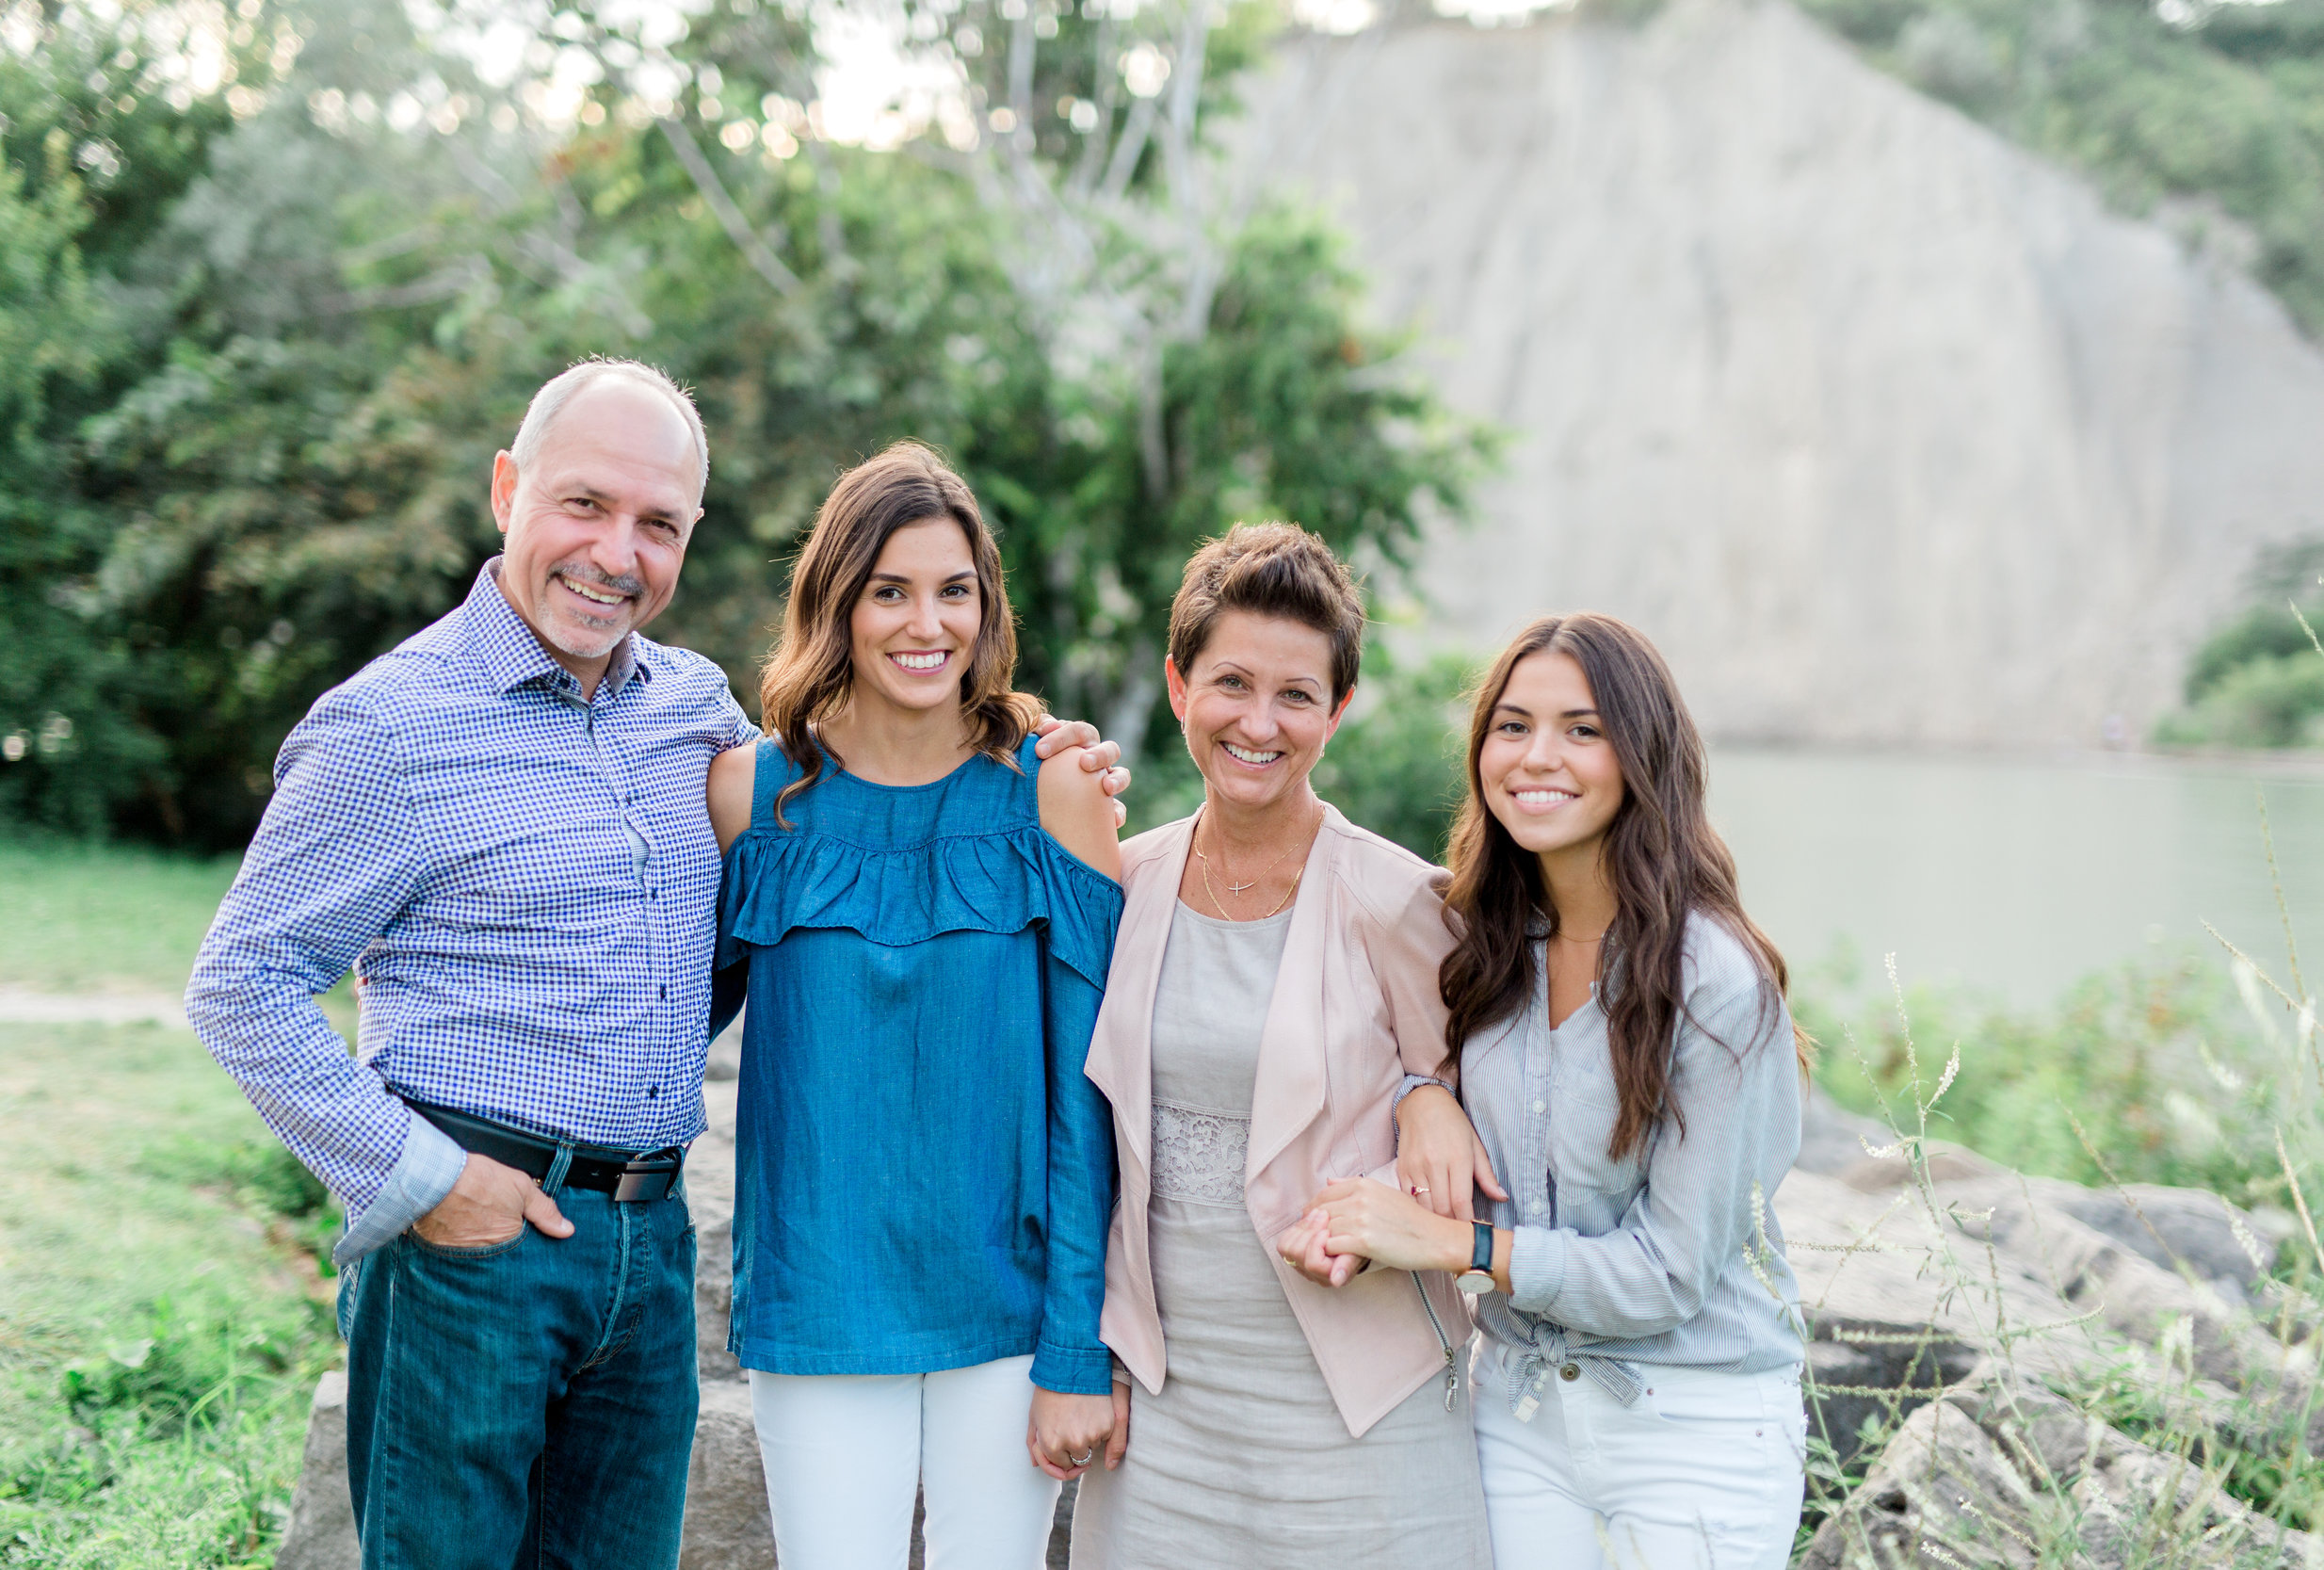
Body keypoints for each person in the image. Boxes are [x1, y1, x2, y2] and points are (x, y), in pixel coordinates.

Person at [186, 364, 1126, 1570]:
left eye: (658, 524)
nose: (615, 552)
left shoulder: (690, 716)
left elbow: (799, 890)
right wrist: (419, 1176)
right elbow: (242, 978)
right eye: (585, 505)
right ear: (507, 490)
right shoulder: (392, 724)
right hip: (472, 1243)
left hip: (647, 1245)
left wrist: (1049, 754)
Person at [1279, 612, 1812, 1570]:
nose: (1537, 756)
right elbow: (1372, 1021)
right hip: (1517, 1414)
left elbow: (1669, 1272)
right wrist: (1418, 1094)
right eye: (1511, 724)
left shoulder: (1716, 981)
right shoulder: (1477, 940)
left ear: (1640, 754)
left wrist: (1453, 1244)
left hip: (1694, 1426)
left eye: (1581, 728)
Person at [704, 443, 1123, 1570]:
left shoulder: (1057, 793)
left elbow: (1092, 1097)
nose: (923, 622)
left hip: (1006, 1304)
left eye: (953, 590)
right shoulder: (749, 793)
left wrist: (1077, 1344)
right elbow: (664, 1016)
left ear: (987, 606)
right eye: (888, 590)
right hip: (820, 1290)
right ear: (835, 603)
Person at [1068, 523, 1494, 1569]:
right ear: (1177, 686)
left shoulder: (1397, 898)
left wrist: (1422, 1098)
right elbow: (1074, 1130)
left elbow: (1493, 1118)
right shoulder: (1120, 881)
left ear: (1337, 710)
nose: (1259, 722)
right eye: (1230, 683)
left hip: (1359, 1404)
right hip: (1162, 1415)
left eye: (1297, 694)